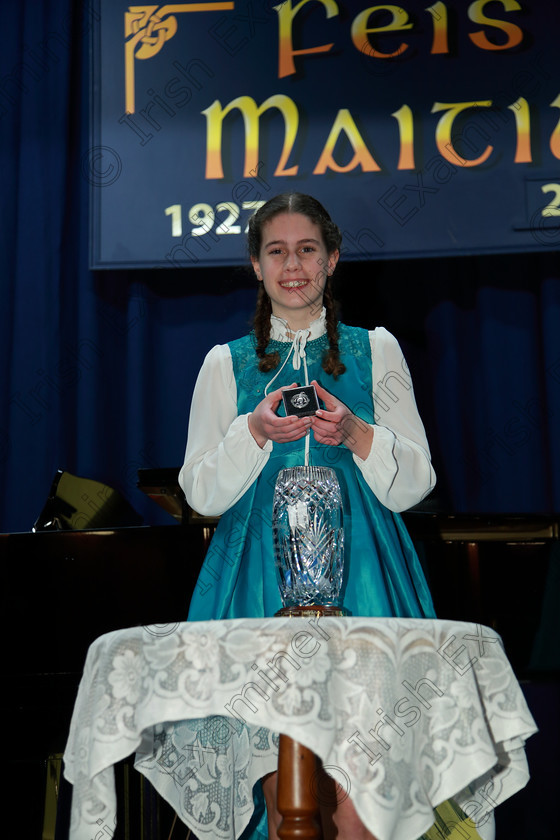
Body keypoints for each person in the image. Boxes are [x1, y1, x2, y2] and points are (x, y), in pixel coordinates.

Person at [179, 192, 437, 840]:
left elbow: (417, 483)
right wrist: (253, 432)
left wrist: (353, 431)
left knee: (362, 798)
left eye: (306, 250)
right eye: (276, 252)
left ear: (332, 259)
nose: (292, 265)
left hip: (365, 584)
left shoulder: (376, 351)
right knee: (281, 792)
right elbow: (200, 493)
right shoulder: (224, 364)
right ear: (256, 266)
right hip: (255, 589)